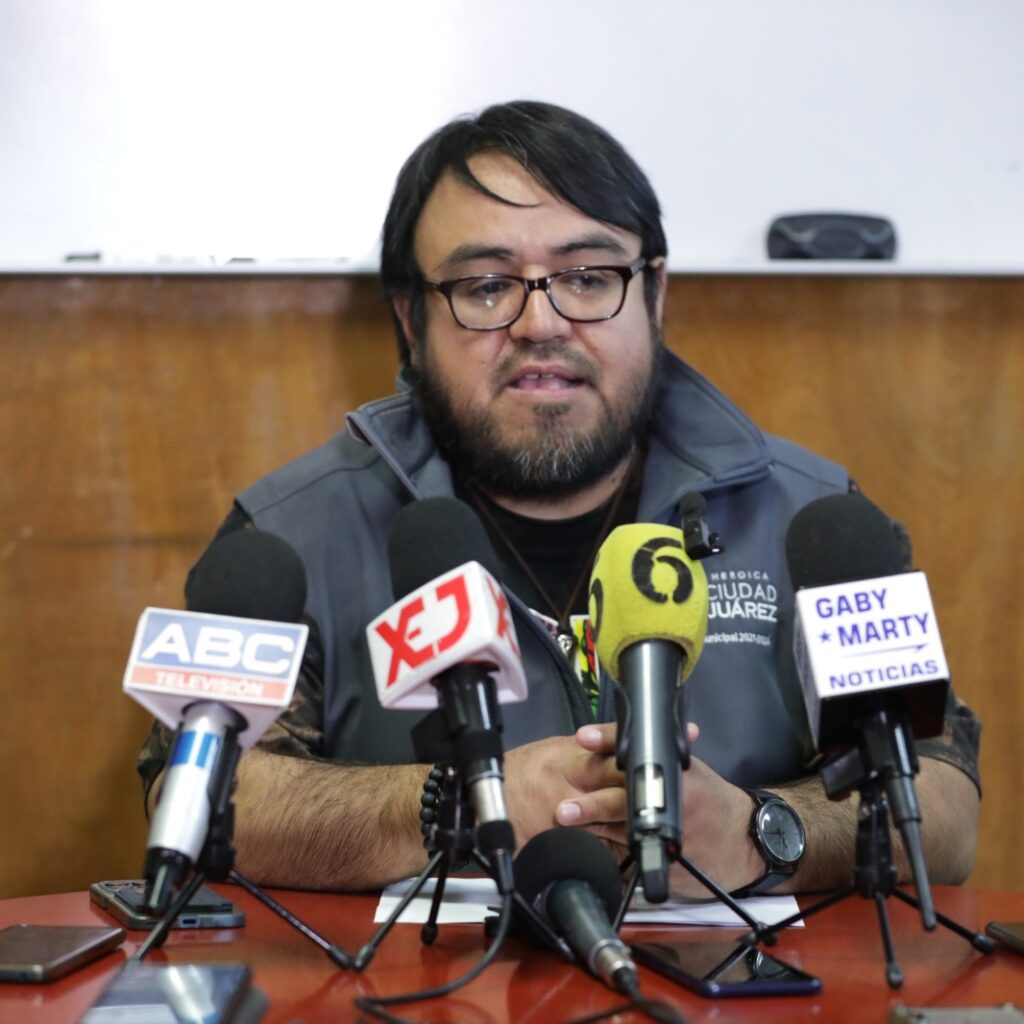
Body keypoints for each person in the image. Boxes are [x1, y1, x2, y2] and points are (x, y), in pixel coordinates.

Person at [138, 101, 980, 898]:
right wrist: (462, 807)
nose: (541, 324)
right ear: (410, 320)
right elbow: (200, 793)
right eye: (485, 286)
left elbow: (942, 803)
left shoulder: (813, 520)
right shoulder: (290, 535)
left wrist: (761, 833)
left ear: (653, 294)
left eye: (586, 277)